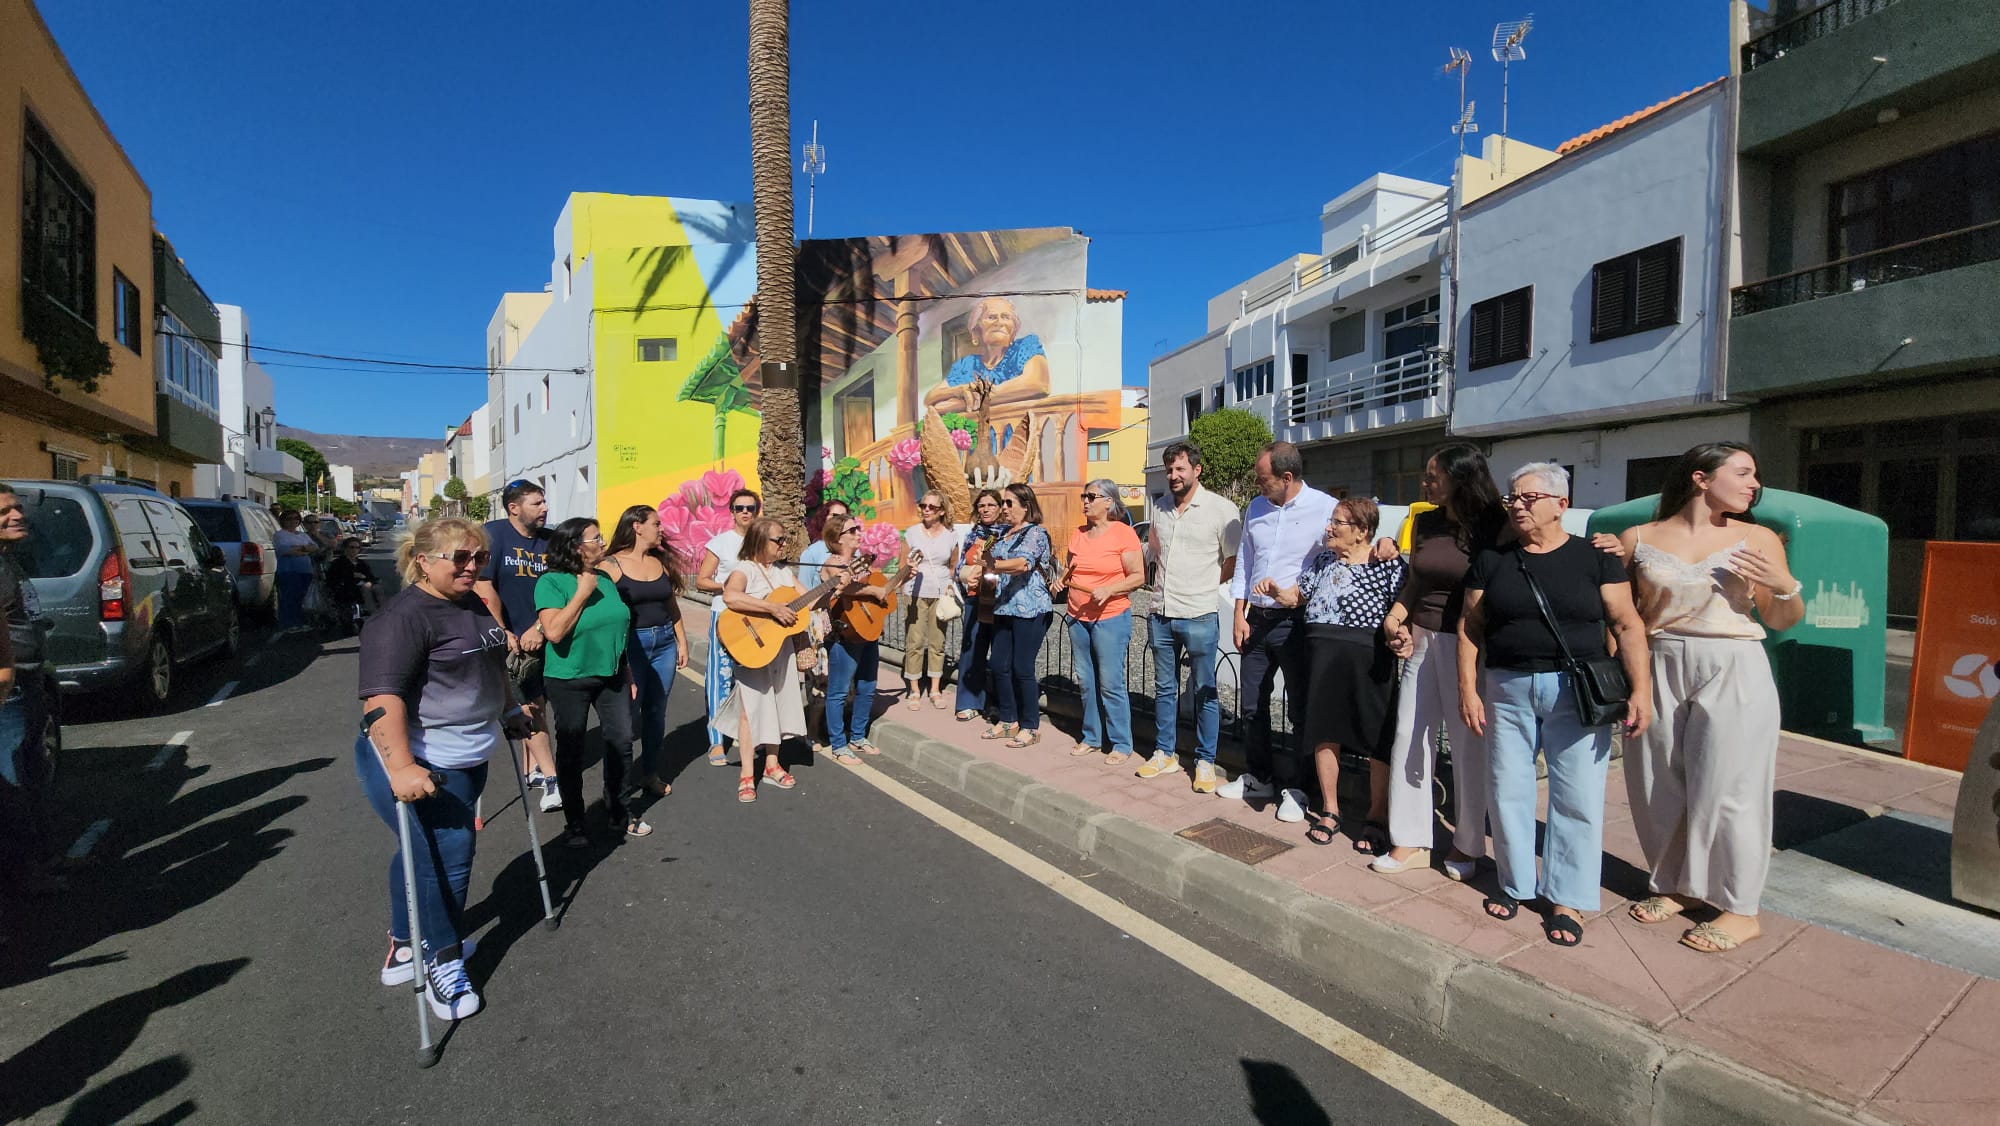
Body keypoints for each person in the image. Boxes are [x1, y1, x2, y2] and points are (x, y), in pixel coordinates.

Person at [1459, 463, 1653, 948]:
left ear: (1561, 504)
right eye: (1513, 498)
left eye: (1529, 497)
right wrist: (1468, 687)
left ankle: (1568, 898)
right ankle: (1516, 882)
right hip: (1507, 686)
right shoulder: (1493, 560)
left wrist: (1641, 690)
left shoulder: (1596, 559)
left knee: (1578, 796)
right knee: (1508, 789)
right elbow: (1470, 626)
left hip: (1578, 690)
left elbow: (1627, 625)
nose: (1518, 506)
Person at [1620, 443, 1801, 955]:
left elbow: (1783, 620)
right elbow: (1627, 617)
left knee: (1731, 789)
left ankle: (1741, 908)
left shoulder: (1757, 538)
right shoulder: (1639, 538)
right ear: (1701, 478)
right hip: (1658, 662)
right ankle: (1678, 885)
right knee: (1655, 780)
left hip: (1733, 662)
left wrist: (1783, 586)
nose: (1753, 484)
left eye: (1754, 475)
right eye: (1742, 473)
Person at [356, 517, 527, 1020]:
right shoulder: (403, 617)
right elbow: (380, 698)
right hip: (423, 761)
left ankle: (405, 943)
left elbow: (490, 664)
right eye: (460, 558)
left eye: (478, 557)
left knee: (418, 851)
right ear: (423, 561)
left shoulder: (468, 600)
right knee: (447, 856)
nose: (472, 566)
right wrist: (404, 766)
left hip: (469, 752)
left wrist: (510, 708)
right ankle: (442, 960)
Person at [1377, 445, 1507, 876]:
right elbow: (1415, 581)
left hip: (1469, 644)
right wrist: (1396, 618)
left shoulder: (1495, 525)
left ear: (1460, 479)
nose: (1425, 482)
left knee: (1469, 744)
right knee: (1410, 734)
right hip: (1423, 637)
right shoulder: (1426, 520)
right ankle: (1410, 840)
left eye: (1433, 476)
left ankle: (1468, 844)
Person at [1261, 498, 1408, 842]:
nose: (1329, 528)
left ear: (1361, 531)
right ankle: (1330, 809)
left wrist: (1402, 632)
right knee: (1324, 731)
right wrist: (1278, 593)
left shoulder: (1386, 562)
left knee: (1376, 735)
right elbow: (1299, 595)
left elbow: (1404, 607)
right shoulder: (1324, 560)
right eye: (1331, 521)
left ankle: (1376, 815)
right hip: (1322, 655)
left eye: (1338, 522)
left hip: (1368, 657)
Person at [1220, 442, 1337, 821]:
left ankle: (1301, 789)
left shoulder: (1324, 508)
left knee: (1301, 709)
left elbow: (1335, 562)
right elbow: (1245, 563)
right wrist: (1239, 612)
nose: (1258, 485)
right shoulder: (1256, 508)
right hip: (1257, 618)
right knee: (1252, 703)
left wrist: (1299, 595)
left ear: (1287, 478)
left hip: (1297, 622)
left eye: (1263, 479)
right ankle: (1259, 776)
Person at [535, 517, 648, 846]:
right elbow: (554, 632)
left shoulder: (605, 579)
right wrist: (582, 594)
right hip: (569, 679)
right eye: (595, 539)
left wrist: (626, 670)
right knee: (572, 750)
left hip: (611, 676)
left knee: (622, 741)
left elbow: (619, 626)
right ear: (574, 547)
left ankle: (618, 808)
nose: (602, 543)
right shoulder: (551, 583)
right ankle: (575, 821)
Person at [1140, 442, 1240, 793]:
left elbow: (1231, 560)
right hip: (1162, 613)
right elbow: (1154, 550)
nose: (1173, 476)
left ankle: (1205, 761)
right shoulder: (1161, 508)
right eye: (1169, 470)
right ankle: (1165, 753)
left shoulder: (1221, 509)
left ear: (1197, 469)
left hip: (1199, 613)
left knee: (1205, 690)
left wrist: (1205, 584)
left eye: (1180, 469)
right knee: (1164, 688)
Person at [474, 480, 561, 812]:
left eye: (544, 502)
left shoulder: (550, 541)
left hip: (545, 634)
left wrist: (539, 627)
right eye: (537, 503)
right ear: (514, 508)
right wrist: (503, 630)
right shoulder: (493, 535)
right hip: (511, 640)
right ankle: (552, 779)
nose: (544, 508)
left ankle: (531, 770)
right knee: (529, 708)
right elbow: (484, 586)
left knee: (539, 703)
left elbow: (560, 589)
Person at [715, 518, 811, 801]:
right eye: (777, 540)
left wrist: (835, 586)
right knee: (750, 709)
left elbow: (807, 600)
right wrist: (771, 607)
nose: (783, 544)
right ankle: (747, 773)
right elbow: (731, 597)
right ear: (759, 541)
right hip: (752, 648)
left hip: (779, 648)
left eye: (784, 539)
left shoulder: (783, 572)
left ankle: (771, 764)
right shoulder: (743, 569)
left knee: (778, 705)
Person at [602, 504, 689, 799]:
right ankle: (618, 789)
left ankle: (650, 773)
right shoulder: (610, 566)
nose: (661, 528)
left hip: (664, 643)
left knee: (656, 713)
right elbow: (605, 616)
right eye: (656, 523)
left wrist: (682, 641)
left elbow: (671, 604)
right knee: (625, 718)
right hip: (632, 646)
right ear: (637, 526)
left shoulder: (659, 562)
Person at [0, 483, 59, 902]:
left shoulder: (9, 560)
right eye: (5, 511)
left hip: (30, 679)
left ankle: (40, 863)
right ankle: (24, 876)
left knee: (34, 772)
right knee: (13, 784)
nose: (17, 515)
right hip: (11, 688)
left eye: (17, 508)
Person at [1060, 479, 1145, 765]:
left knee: (1110, 683)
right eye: (1084, 496)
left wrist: (1109, 589)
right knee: (1086, 681)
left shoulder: (1123, 534)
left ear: (1108, 501)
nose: (1085, 501)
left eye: (1091, 496)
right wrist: (1061, 580)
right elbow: (1070, 570)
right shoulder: (1078, 534)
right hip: (1077, 617)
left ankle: (1121, 743)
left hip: (1110, 617)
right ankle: (1092, 737)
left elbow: (1138, 576)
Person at [980, 484, 1054, 747]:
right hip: (1003, 607)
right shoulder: (1000, 534)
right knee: (999, 665)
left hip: (1030, 610)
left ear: (1026, 506)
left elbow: (1023, 564)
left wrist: (991, 565)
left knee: (1022, 668)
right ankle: (1008, 720)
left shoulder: (1036, 533)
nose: (1005, 508)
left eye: (1010, 503)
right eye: (1004, 503)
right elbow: (982, 554)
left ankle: (1031, 725)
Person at [819, 514, 892, 764]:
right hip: (844, 636)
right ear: (837, 538)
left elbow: (881, 592)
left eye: (858, 529)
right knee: (838, 691)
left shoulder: (863, 566)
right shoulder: (831, 563)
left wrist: (903, 576)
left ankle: (858, 736)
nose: (858, 533)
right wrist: (872, 590)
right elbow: (846, 588)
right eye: (852, 530)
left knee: (867, 687)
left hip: (866, 631)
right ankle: (838, 744)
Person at [697, 489, 761, 768]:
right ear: (732, 512)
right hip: (724, 616)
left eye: (750, 507)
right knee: (719, 678)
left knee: (751, 677)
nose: (745, 512)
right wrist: (729, 588)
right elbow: (702, 580)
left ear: (757, 511)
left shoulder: (763, 542)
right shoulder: (720, 543)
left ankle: (746, 731)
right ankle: (716, 740)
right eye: (739, 508)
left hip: (756, 620)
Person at [924, 297, 1052, 414]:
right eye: (991, 317)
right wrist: (958, 390)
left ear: (1013, 329)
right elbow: (931, 399)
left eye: (1006, 317)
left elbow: (1037, 384)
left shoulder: (1026, 346)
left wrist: (973, 398)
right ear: (976, 331)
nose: (999, 322)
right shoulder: (966, 364)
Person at [900, 492, 960, 711]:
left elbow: (953, 565)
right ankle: (914, 689)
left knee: (937, 642)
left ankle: (935, 688)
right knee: (914, 641)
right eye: (923, 505)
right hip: (915, 592)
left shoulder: (950, 535)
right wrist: (907, 571)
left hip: (940, 592)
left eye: (931, 507)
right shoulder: (912, 533)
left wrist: (951, 585)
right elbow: (901, 566)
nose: (926, 509)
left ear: (941, 511)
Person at [953, 489, 1007, 722]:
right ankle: (968, 701)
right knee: (972, 649)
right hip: (975, 599)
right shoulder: (972, 534)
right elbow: (957, 568)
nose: (985, 509)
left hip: (1001, 600)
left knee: (999, 655)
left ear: (1000, 508)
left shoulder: (1008, 533)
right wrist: (966, 575)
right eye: (981, 506)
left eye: (990, 505)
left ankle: (995, 703)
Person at [273, 510, 321, 635]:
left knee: (301, 597)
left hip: (305, 570)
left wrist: (302, 549)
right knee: (289, 597)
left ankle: (300, 622)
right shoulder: (280, 535)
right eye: (289, 519)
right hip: (287, 571)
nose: (292, 521)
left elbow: (315, 547)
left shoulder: (302, 535)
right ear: (283, 520)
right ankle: (288, 624)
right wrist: (304, 549)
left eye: (295, 518)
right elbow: (285, 550)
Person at [327, 537, 382, 618]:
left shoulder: (362, 563)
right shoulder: (338, 563)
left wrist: (370, 581)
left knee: (375, 588)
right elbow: (333, 578)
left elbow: (370, 576)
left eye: (357, 547)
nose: (354, 550)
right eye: (351, 547)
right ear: (345, 548)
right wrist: (352, 575)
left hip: (361, 588)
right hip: (344, 588)